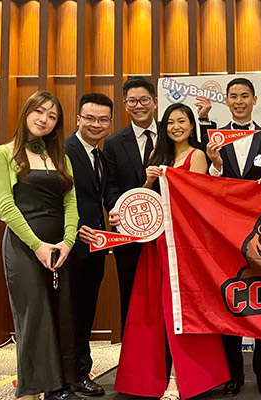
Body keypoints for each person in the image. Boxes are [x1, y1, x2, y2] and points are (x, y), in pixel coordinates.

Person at [114, 102, 229, 400]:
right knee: (151, 312)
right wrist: (150, 179)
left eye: (183, 121)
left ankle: (183, 379)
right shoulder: (158, 156)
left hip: (184, 245)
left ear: (192, 126)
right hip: (157, 243)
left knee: (184, 311)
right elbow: (145, 200)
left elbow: (199, 198)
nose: (177, 126)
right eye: (171, 122)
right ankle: (147, 379)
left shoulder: (198, 155)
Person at [0, 91, 80, 400]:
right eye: (39, 112)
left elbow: (71, 204)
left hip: (60, 248)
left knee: (60, 313)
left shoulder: (61, 156)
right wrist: (38, 245)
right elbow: (5, 207)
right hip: (25, 247)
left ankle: (58, 387)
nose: (44, 119)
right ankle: (31, 389)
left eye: (52, 116)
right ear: (26, 113)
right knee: (34, 315)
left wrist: (67, 242)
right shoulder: (3, 153)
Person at [204, 77, 261, 397]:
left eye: (244, 96)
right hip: (224, 237)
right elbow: (205, 189)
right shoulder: (213, 139)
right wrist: (216, 166)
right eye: (233, 96)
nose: (239, 101)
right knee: (229, 306)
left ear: (254, 100)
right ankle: (233, 376)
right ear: (227, 100)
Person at [65, 93, 114, 397]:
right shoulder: (64, 151)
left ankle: (80, 371)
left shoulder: (100, 153)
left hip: (95, 245)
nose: (97, 124)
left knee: (85, 312)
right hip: (69, 245)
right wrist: (70, 229)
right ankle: (68, 377)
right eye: (90, 118)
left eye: (103, 119)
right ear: (78, 119)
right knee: (66, 314)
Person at [103, 77, 159, 334]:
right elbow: (110, 186)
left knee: (167, 294)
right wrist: (120, 212)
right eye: (133, 101)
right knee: (132, 294)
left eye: (144, 100)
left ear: (155, 102)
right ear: (126, 106)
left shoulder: (172, 136)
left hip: (167, 232)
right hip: (129, 234)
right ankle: (133, 360)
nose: (139, 105)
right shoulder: (114, 143)